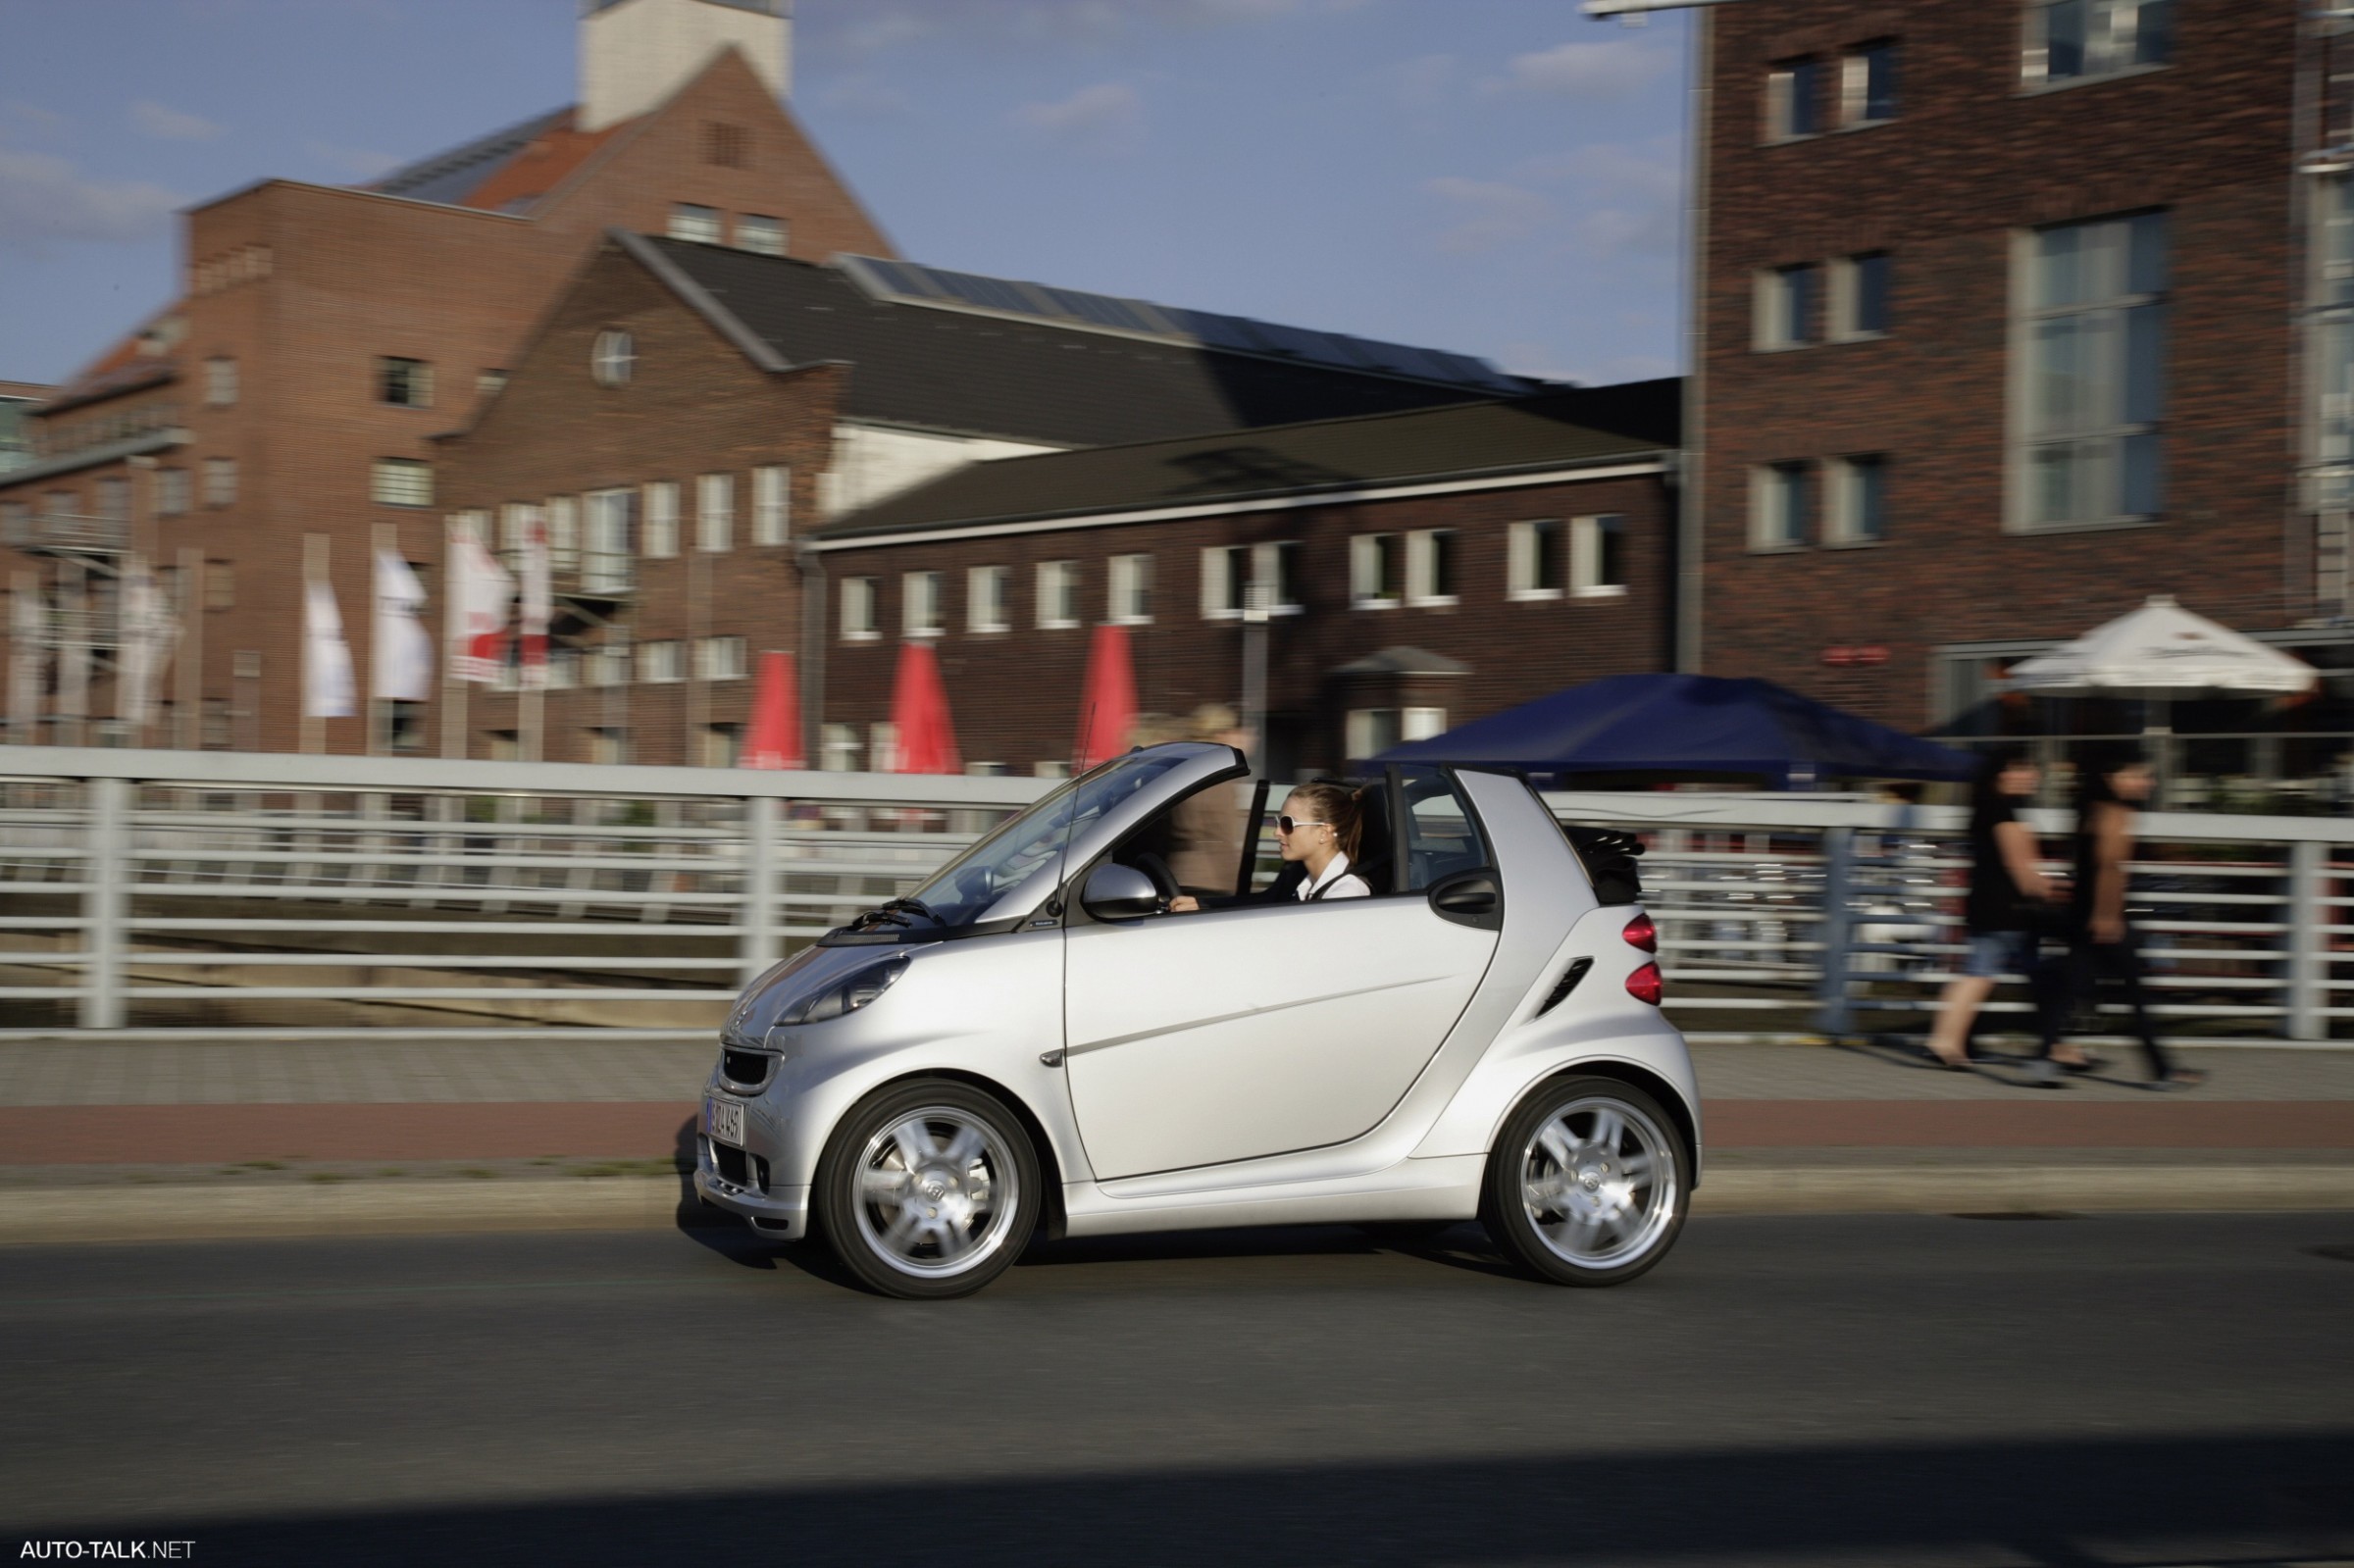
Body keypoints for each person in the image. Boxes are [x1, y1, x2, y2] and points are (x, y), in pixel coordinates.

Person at [2030, 749, 2205, 1090]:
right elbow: (2111, 868)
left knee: (2069, 988)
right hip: (2106, 919)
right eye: (2140, 774)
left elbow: (2085, 867)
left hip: (2081, 915)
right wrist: (2107, 917)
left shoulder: (2088, 811)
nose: (2148, 782)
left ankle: (2042, 1061)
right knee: (2137, 995)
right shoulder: (2117, 814)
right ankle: (2163, 1071)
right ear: (2114, 778)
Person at [1924, 748, 2061, 1069]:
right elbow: (2019, 867)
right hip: (2006, 909)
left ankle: (1946, 1040)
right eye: (2024, 769)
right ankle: (2055, 1047)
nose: (2033, 776)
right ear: (2002, 774)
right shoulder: (2002, 811)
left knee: (1984, 975)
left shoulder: (1989, 808)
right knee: (1986, 976)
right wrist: (2051, 893)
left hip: (1990, 905)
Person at [1169, 780, 1368, 910]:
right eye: (1277, 822)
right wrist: (1201, 905)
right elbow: (1262, 903)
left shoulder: (1344, 897)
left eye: (1288, 824)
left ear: (1324, 832)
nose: (1277, 832)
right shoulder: (1300, 881)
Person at [1166, 703, 1252, 895]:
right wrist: (1239, 891)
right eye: (1234, 730)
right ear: (1220, 734)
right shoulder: (1219, 779)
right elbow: (1222, 841)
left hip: (1180, 872)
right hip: (1210, 882)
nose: (1241, 736)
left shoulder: (1186, 772)